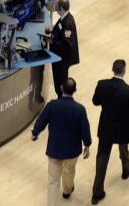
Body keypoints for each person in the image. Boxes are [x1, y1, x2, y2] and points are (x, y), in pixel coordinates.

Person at [91, 60, 129, 204]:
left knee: (102, 157)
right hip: (122, 129)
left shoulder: (101, 84)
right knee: (123, 149)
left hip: (105, 127)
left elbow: (95, 102)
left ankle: (97, 193)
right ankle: (126, 168)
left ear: (112, 69)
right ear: (124, 71)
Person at [31, 77, 92, 205]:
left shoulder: (52, 105)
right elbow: (85, 129)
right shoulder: (80, 109)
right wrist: (87, 145)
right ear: (75, 90)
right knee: (69, 171)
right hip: (73, 150)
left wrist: (35, 133)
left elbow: (41, 121)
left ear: (61, 88)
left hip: (55, 149)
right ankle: (67, 190)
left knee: (53, 180)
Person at [48, 0, 79, 97]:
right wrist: (52, 30)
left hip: (62, 59)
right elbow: (59, 29)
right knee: (58, 80)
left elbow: (67, 44)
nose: (54, 8)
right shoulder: (64, 18)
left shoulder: (68, 22)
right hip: (59, 57)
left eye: (56, 6)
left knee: (60, 80)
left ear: (61, 8)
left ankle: (61, 98)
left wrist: (52, 41)